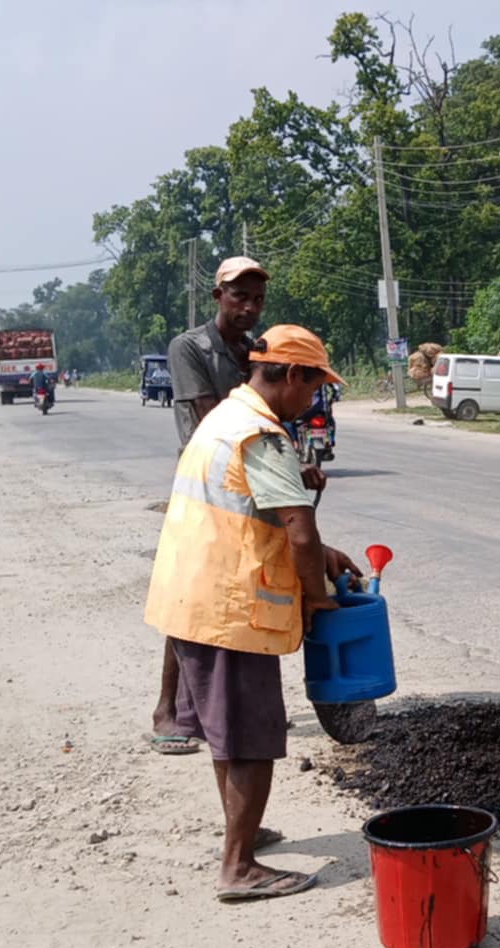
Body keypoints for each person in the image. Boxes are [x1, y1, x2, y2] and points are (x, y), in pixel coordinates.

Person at [144, 325, 363, 902]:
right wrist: (318, 596)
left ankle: (243, 834)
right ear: (292, 376)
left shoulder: (223, 418)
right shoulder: (263, 437)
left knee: (226, 732)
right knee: (252, 739)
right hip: (231, 607)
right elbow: (298, 529)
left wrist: (324, 555)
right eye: (313, 386)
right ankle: (238, 867)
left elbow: (252, 514)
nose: (313, 400)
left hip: (191, 596)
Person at [150, 256, 268, 757]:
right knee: (190, 596)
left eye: (257, 299)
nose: (249, 307)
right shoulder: (190, 347)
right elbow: (212, 421)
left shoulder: (253, 351)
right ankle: (167, 709)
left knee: (238, 593)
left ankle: (215, 703)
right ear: (218, 296)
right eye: (239, 296)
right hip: (204, 486)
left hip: (248, 483)